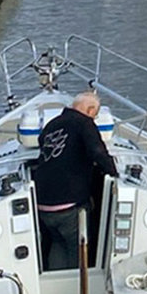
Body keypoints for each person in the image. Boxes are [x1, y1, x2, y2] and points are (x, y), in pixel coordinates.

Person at [33, 89, 118, 272]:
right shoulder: (84, 124)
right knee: (76, 249)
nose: (93, 120)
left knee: (57, 243)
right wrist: (114, 171)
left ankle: (54, 280)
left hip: (42, 205)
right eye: (94, 116)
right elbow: (97, 152)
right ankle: (73, 291)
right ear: (89, 111)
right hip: (69, 205)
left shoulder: (52, 124)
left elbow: (43, 145)